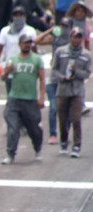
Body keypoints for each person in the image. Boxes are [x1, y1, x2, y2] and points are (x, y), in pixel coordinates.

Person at [1, 33, 46, 165]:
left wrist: (42, 98)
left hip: (30, 100)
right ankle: (10, 154)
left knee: (33, 128)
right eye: (25, 43)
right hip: (15, 99)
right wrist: (8, 71)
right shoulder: (13, 59)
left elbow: (42, 80)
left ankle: (37, 149)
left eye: (29, 43)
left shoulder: (37, 60)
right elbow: (3, 77)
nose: (27, 45)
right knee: (13, 128)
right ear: (20, 44)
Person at [52, 26, 92, 156]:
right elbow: (54, 70)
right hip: (63, 90)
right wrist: (62, 77)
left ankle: (76, 146)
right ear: (70, 37)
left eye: (79, 37)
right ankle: (64, 141)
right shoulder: (60, 52)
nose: (76, 40)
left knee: (76, 119)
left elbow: (87, 73)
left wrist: (77, 72)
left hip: (77, 91)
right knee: (63, 119)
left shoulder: (86, 55)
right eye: (75, 36)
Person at [36, 17, 72, 144]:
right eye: (61, 26)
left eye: (66, 27)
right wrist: (50, 30)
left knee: (68, 110)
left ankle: (65, 132)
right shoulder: (54, 39)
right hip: (54, 79)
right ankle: (53, 134)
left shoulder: (73, 42)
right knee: (53, 108)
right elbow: (37, 41)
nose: (63, 29)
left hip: (68, 81)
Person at [0, 6, 38, 94]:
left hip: (26, 69)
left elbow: (34, 50)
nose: (18, 18)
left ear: (25, 17)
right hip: (10, 69)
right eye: (16, 15)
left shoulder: (30, 31)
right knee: (11, 96)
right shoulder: (5, 31)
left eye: (20, 15)